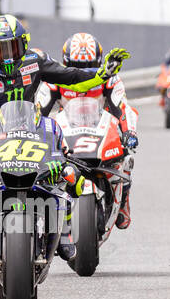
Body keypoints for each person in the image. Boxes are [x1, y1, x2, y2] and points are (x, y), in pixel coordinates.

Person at [0, 14, 128, 250]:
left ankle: (63, 230)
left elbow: (71, 78)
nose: (8, 56)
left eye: (12, 47)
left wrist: (103, 74)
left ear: (24, 43)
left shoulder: (36, 60)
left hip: (35, 136)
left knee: (74, 178)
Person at [38, 32, 139, 228]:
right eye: (76, 66)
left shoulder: (110, 79)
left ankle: (124, 200)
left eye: (89, 66)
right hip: (68, 132)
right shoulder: (54, 80)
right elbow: (38, 109)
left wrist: (130, 132)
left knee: (126, 159)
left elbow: (124, 107)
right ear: (66, 63)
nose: (83, 71)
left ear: (99, 62)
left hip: (100, 130)